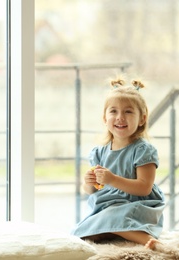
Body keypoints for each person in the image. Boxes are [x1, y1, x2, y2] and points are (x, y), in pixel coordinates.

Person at [71, 77, 165, 249]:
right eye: (113, 111)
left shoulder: (143, 150)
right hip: (108, 207)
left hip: (136, 206)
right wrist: (89, 183)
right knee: (81, 230)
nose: (120, 117)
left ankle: (149, 241)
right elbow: (92, 191)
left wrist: (112, 179)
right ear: (105, 118)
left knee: (116, 217)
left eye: (128, 112)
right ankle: (113, 230)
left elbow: (144, 187)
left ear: (142, 119)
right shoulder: (99, 152)